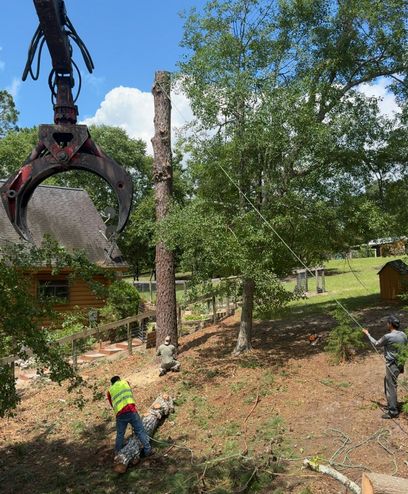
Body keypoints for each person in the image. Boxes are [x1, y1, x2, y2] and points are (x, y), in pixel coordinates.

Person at [362, 315, 407, 419]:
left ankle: (393, 411)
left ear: (390, 324)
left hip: (392, 366)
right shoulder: (403, 334)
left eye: (387, 323)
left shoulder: (388, 336)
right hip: (399, 364)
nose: (386, 324)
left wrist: (367, 334)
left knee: (391, 387)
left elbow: (376, 343)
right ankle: (391, 404)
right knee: (388, 382)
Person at [107, 376, 152, 456]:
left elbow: (112, 404)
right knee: (140, 431)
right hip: (131, 410)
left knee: (120, 434)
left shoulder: (110, 391)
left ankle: (117, 453)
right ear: (119, 380)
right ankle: (147, 450)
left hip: (120, 414)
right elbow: (129, 393)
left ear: (112, 383)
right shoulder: (125, 382)